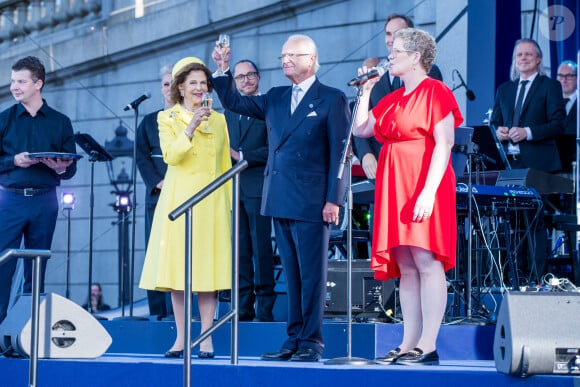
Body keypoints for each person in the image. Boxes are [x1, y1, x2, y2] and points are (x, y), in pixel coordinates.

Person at [211, 34, 349, 362]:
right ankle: (293, 339)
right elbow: (234, 102)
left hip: (314, 201)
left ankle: (312, 342)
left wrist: (334, 199)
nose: (285, 60)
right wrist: (222, 71)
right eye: (283, 55)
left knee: (312, 274)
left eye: (293, 55)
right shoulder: (274, 96)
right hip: (280, 197)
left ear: (311, 59)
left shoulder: (331, 98)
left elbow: (341, 154)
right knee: (292, 273)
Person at [353, 28, 463, 365]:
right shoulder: (392, 97)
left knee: (426, 261)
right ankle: (407, 341)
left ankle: (428, 343)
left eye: (396, 51)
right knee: (407, 265)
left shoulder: (436, 91)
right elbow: (361, 130)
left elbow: (445, 143)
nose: (390, 55)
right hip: (395, 181)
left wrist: (428, 193)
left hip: (423, 179)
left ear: (416, 57)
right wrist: (365, 92)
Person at [139, 57, 232, 359]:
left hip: (212, 201)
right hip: (179, 199)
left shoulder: (218, 119)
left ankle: (206, 339)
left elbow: (224, 165)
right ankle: (180, 338)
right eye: (192, 83)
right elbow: (171, 156)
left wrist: (227, 204)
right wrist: (191, 125)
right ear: (180, 86)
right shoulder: (166, 118)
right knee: (180, 274)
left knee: (208, 274)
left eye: (203, 83)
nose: (199, 88)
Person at [0, 56, 77, 325]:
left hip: (45, 201)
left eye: (21, 81)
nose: (15, 86)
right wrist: (14, 161)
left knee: (37, 269)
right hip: (9, 201)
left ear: (38, 84)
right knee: (2, 267)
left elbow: (70, 167)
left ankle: (24, 333)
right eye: (13, 81)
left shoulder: (60, 122)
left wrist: (59, 169)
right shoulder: (4, 120)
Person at [491, 38, 565, 280]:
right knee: (511, 221)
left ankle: (536, 277)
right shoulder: (505, 89)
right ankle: (514, 276)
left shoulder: (550, 86)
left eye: (528, 54)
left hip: (538, 166)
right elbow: (494, 123)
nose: (522, 58)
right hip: (510, 166)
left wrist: (528, 133)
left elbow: (558, 124)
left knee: (534, 220)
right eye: (519, 54)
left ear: (538, 59)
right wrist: (499, 132)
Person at [353, 13, 443, 181]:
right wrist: (365, 154)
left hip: (418, 169)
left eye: (398, 34)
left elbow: (443, 140)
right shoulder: (378, 75)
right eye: (388, 34)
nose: (391, 39)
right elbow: (360, 128)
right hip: (382, 167)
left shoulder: (430, 78)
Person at [224, 59, 276, 322]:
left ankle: (265, 306)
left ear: (258, 77)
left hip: (258, 185)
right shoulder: (229, 113)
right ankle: (242, 306)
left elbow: (274, 147)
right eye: (240, 77)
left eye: (250, 75)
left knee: (261, 247)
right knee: (239, 249)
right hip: (232, 189)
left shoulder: (269, 107)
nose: (246, 80)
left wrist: (242, 155)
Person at [135, 65, 173, 320]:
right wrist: (157, 182)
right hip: (159, 197)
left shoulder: (193, 118)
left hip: (188, 198)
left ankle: (183, 311)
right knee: (156, 253)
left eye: (174, 83)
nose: (169, 88)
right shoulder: (149, 122)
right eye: (165, 84)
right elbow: (141, 156)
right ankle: (158, 312)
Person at [555, 60, 577, 174]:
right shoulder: (550, 102)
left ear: (577, 78)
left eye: (569, 76)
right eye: (560, 76)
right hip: (553, 167)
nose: (564, 80)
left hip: (575, 167)